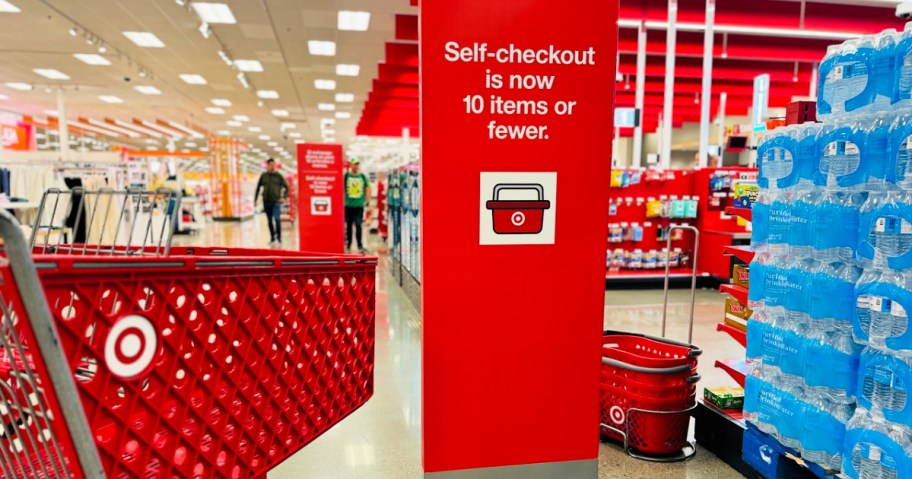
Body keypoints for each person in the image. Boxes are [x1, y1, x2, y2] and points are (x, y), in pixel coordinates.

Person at [254, 159, 289, 247]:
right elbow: (258, 188)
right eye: (271, 165)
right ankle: (272, 238)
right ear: (267, 166)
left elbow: (286, 187)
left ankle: (279, 238)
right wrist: (255, 200)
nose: (272, 167)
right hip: (266, 202)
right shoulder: (264, 176)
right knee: (269, 221)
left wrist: (283, 197)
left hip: (276, 202)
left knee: (277, 219)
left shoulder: (279, 176)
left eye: (274, 165)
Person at [344, 158, 371, 254]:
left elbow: (368, 188)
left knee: (359, 225)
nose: (356, 166)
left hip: (359, 206)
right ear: (351, 165)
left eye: (357, 164)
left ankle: (359, 245)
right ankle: (348, 244)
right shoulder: (346, 176)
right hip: (348, 206)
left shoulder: (363, 177)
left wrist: (368, 201)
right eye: (355, 164)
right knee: (348, 226)